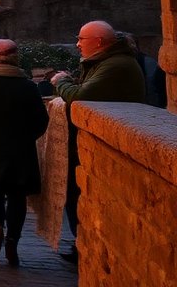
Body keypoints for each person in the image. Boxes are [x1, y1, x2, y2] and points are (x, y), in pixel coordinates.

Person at [51, 20, 146, 262]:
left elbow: (79, 96)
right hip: (89, 141)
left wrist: (61, 81)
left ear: (100, 42)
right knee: (74, 193)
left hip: (112, 141)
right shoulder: (106, 62)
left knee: (77, 193)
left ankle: (81, 242)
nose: (78, 44)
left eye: (82, 39)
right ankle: (80, 241)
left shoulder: (116, 65)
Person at [0, 39, 49, 267]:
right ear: (16, 57)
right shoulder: (28, 87)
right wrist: (25, 137)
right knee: (16, 195)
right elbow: (41, 121)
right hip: (19, 148)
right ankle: (12, 239)